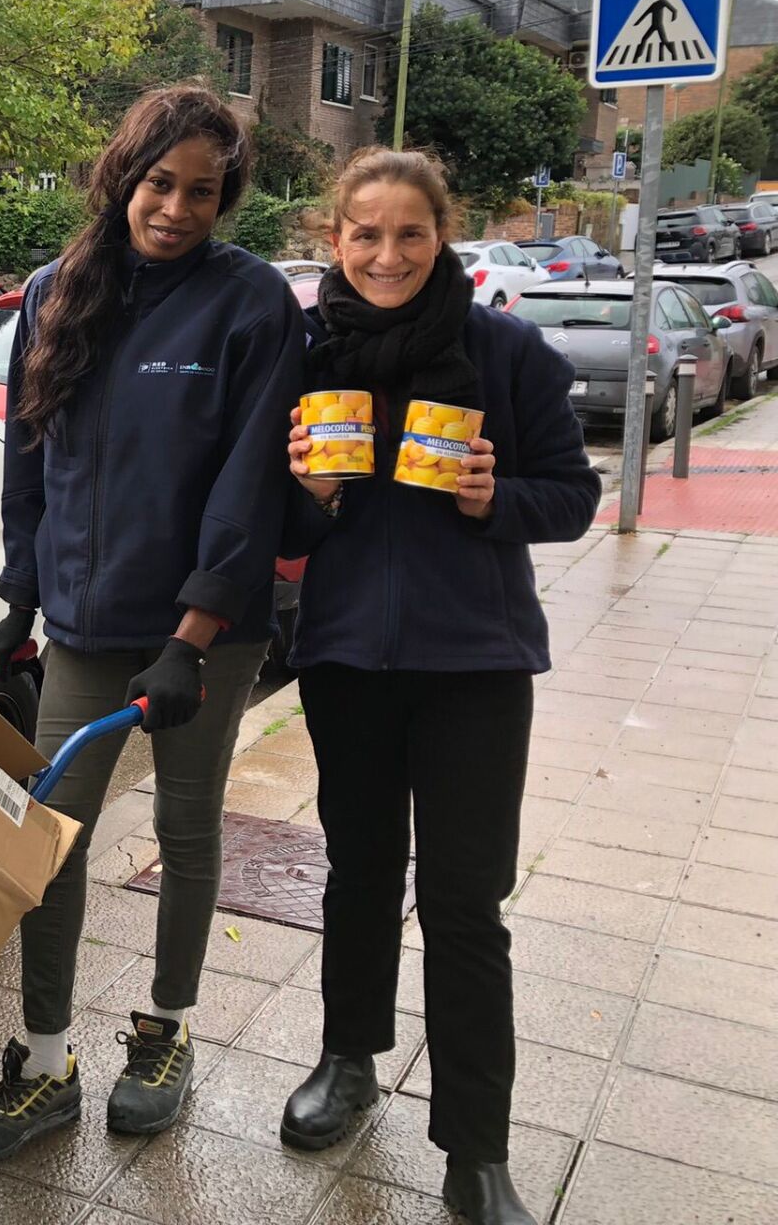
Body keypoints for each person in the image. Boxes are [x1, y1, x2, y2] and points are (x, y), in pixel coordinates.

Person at [0, 85, 305, 1163]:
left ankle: (166, 1030)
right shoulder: (57, 292)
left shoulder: (249, 303)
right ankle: (46, 1061)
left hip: (206, 635)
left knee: (187, 830)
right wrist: (20, 599)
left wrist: (193, 638)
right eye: (160, 183)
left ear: (225, 200)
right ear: (123, 177)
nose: (176, 209)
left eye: (203, 192)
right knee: (50, 839)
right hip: (87, 627)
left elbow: (248, 486)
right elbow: (30, 463)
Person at [277, 149, 599, 1225]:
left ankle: (477, 1149)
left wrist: (492, 498)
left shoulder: (506, 351)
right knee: (359, 872)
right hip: (346, 662)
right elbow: (276, 519)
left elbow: (572, 497)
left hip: (475, 667)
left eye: (409, 234)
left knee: (465, 905)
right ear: (334, 239)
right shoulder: (307, 354)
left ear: (441, 236)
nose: (387, 255)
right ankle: (348, 1059)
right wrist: (313, 495)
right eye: (365, 235)